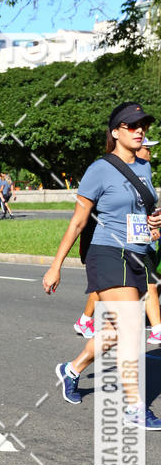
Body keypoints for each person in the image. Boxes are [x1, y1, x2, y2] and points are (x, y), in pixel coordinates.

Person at [43, 101, 161, 429]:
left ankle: (71, 369)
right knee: (132, 325)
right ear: (115, 132)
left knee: (114, 331)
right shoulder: (99, 169)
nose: (140, 131)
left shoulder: (144, 167)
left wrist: (154, 222)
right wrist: (56, 265)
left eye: (143, 125)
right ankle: (135, 407)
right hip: (107, 252)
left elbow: (142, 211)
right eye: (132, 125)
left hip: (139, 253)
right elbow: (79, 221)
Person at [73, 135, 161, 344]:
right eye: (147, 148)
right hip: (115, 242)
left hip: (140, 239)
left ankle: (87, 324)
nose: (149, 152)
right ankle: (156, 328)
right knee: (146, 282)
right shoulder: (108, 169)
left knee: (144, 283)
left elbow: (145, 206)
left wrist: (153, 224)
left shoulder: (145, 170)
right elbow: (86, 214)